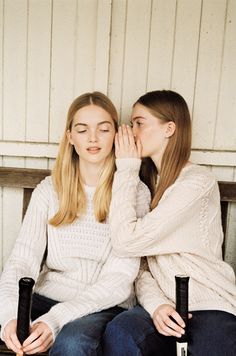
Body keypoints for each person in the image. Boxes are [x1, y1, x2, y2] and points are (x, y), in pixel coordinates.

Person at [0, 91, 150, 355]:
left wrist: (55, 320)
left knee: (71, 343)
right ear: (70, 137)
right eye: (82, 130)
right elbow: (22, 260)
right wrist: (12, 317)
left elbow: (119, 279)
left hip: (101, 305)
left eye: (103, 129)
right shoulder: (49, 190)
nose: (93, 138)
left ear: (116, 134)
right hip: (45, 297)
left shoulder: (133, 192)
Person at [103, 90, 236, 355]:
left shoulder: (197, 182)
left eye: (139, 123)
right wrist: (157, 306)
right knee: (121, 332)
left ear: (169, 129)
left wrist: (126, 167)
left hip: (207, 303)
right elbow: (139, 265)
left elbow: (126, 240)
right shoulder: (141, 187)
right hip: (161, 305)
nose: (130, 132)